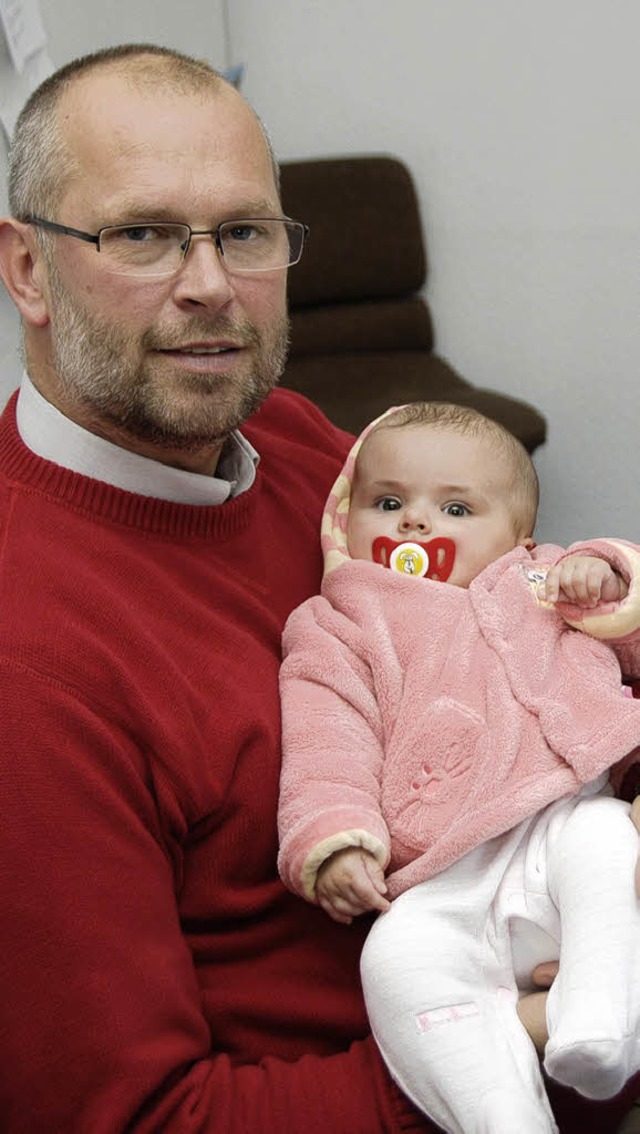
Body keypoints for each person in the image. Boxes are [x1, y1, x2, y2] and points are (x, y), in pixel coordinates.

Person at [0, 41, 635, 1134]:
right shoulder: (30, 666)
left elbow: (504, 631)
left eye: (243, 232)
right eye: (142, 234)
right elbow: (141, 1118)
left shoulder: (298, 451)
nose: (209, 286)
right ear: (26, 270)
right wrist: (507, 1046)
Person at [277, 401, 640, 1134]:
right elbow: (325, 738)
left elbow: (628, 641)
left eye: (453, 507)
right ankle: (500, 1115)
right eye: (388, 502)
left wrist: (605, 577)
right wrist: (338, 835)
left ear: (517, 538)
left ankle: (599, 1026)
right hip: (441, 878)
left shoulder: (541, 584)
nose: (414, 523)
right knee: (394, 961)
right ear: (345, 525)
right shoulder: (337, 624)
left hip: (556, 823)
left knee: (608, 847)